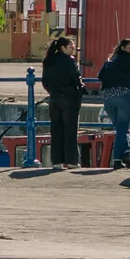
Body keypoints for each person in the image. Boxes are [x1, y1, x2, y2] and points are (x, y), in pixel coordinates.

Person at [97, 36, 130, 167]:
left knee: (120, 128)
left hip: (108, 98)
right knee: (122, 129)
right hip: (124, 97)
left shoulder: (109, 61)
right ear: (123, 48)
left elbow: (100, 76)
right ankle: (116, 160)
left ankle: (127, 151)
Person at [43, 32, 83, 169]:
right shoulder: (69, 60)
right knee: (70, 130)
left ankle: (57, 161)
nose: (73, 49)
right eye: (71, 47)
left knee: (56, 129)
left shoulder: (49, 61)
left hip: (54, 98)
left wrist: (53, 92)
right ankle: (71, 161)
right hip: (69, 97)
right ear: (63, 48)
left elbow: (45, 82)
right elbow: (75, 78)